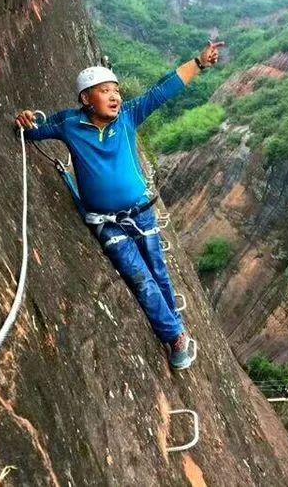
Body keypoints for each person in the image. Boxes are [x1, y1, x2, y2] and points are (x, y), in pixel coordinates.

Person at [15, 41, 224, 370]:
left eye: (116, 90)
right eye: (104, 91)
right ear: (86, 99)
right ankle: (176, 337)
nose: (115, 96)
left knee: (159, 274)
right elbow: (32, 131)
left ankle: (175, 332)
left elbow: (162, 91)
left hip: (141, 213)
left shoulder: (127, 118)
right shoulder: (70, 124)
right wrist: (25, 120)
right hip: (106, 222)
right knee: (141, 278)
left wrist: (198, 62)